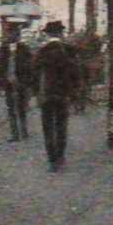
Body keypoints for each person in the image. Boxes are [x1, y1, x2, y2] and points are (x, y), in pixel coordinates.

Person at [35, 21, 75, 171]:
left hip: (46, 95)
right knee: (61, 126)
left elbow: (35, 74)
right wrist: (72, 91)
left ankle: (52, 159)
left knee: (48, 127)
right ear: (60, 33)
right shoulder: (68, 50)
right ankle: (60, 156)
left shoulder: (42, 51)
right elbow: (75, 72)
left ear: (48, 34)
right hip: (63, 94)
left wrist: (35, 93)